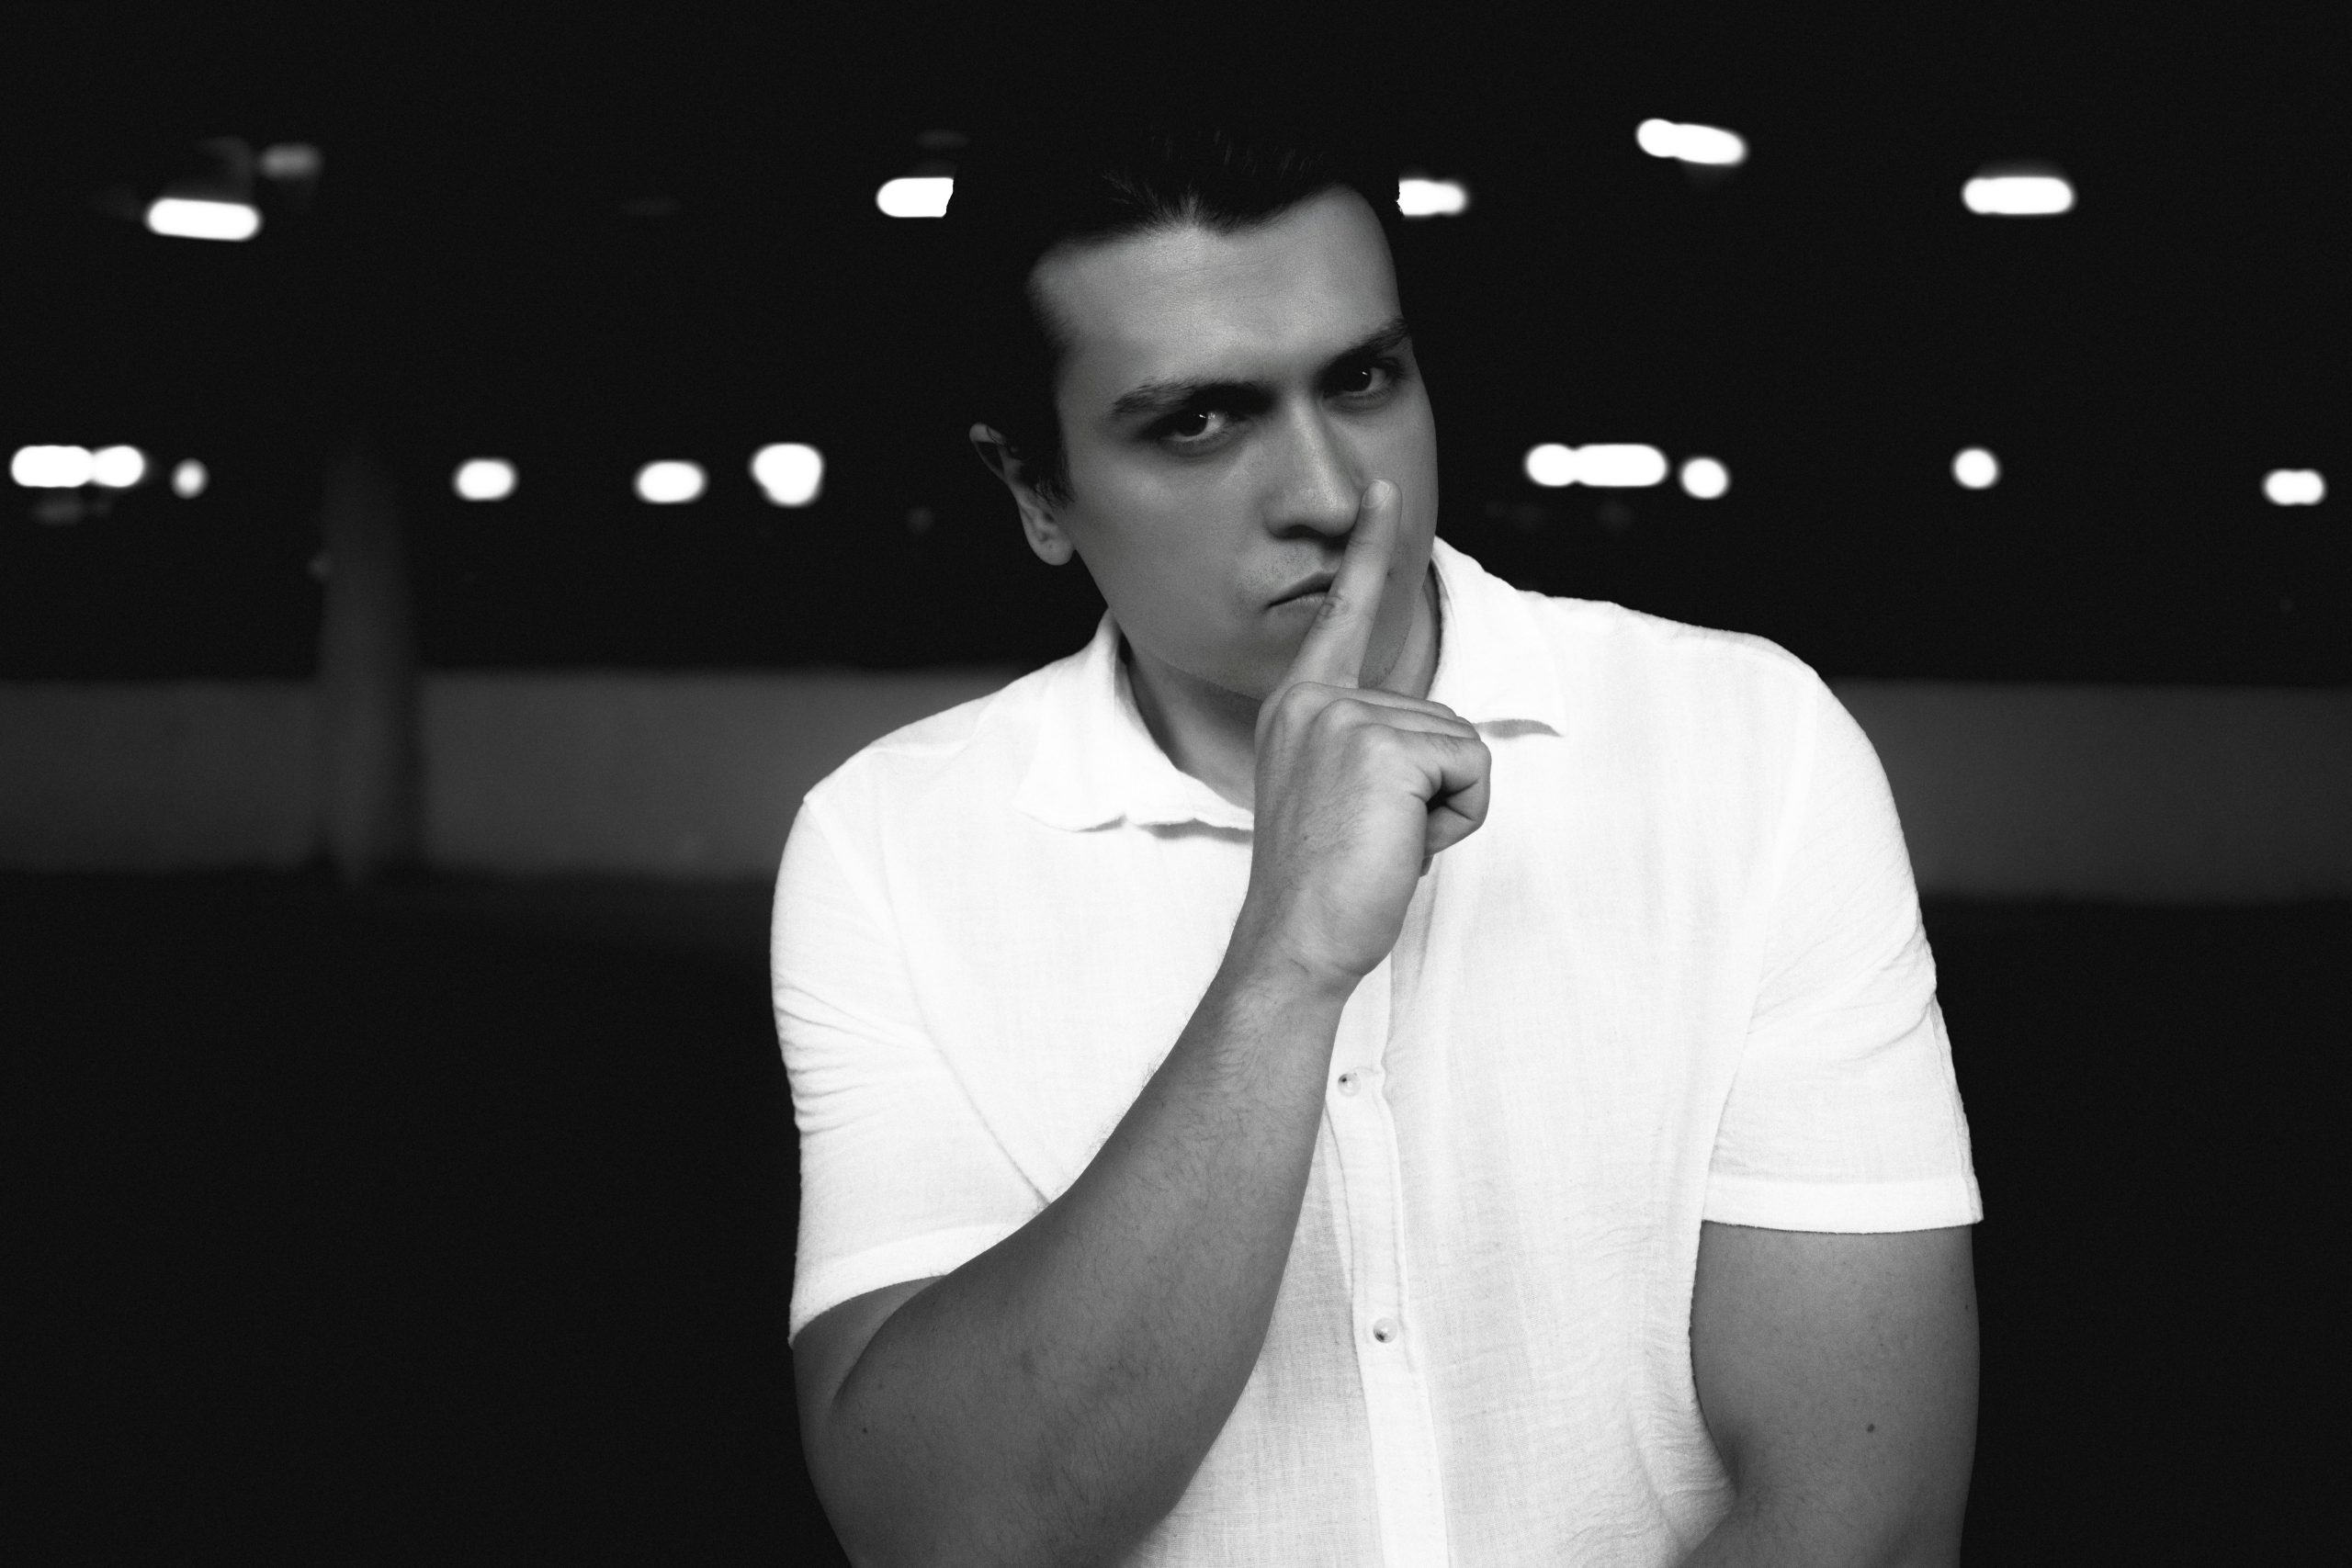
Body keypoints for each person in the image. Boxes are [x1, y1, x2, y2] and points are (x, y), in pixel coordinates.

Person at [772, 104, 1982, 1567]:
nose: (1335, 498)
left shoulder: (1749, 745)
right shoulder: (889, 845)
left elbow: (1863, 1513)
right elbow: (945, 1529)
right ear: (1034, 489)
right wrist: (1281, 965)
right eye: (1197, 421)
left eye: (1363, 380)